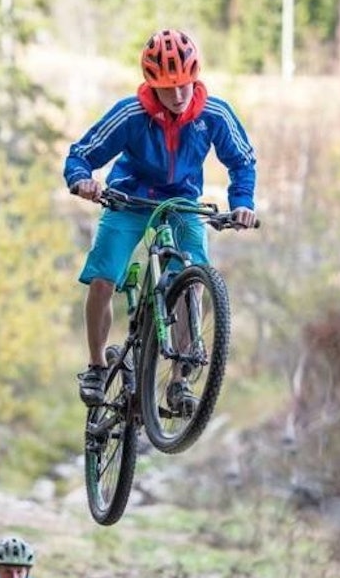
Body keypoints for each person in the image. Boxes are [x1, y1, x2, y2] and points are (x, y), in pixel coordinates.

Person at [64, 28, 258, 408]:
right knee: (103, 278)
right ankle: (96, 366)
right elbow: (81, 153)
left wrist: (242, 202)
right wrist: (81, 179)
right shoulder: (131, 114)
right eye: (169, 87)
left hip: (183, 202)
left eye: (185, 83)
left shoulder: (213, 114)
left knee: (193, 278)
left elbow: (242, 160)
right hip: (129, 197)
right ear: (151, 83)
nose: (179, 94)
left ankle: (181, 378)